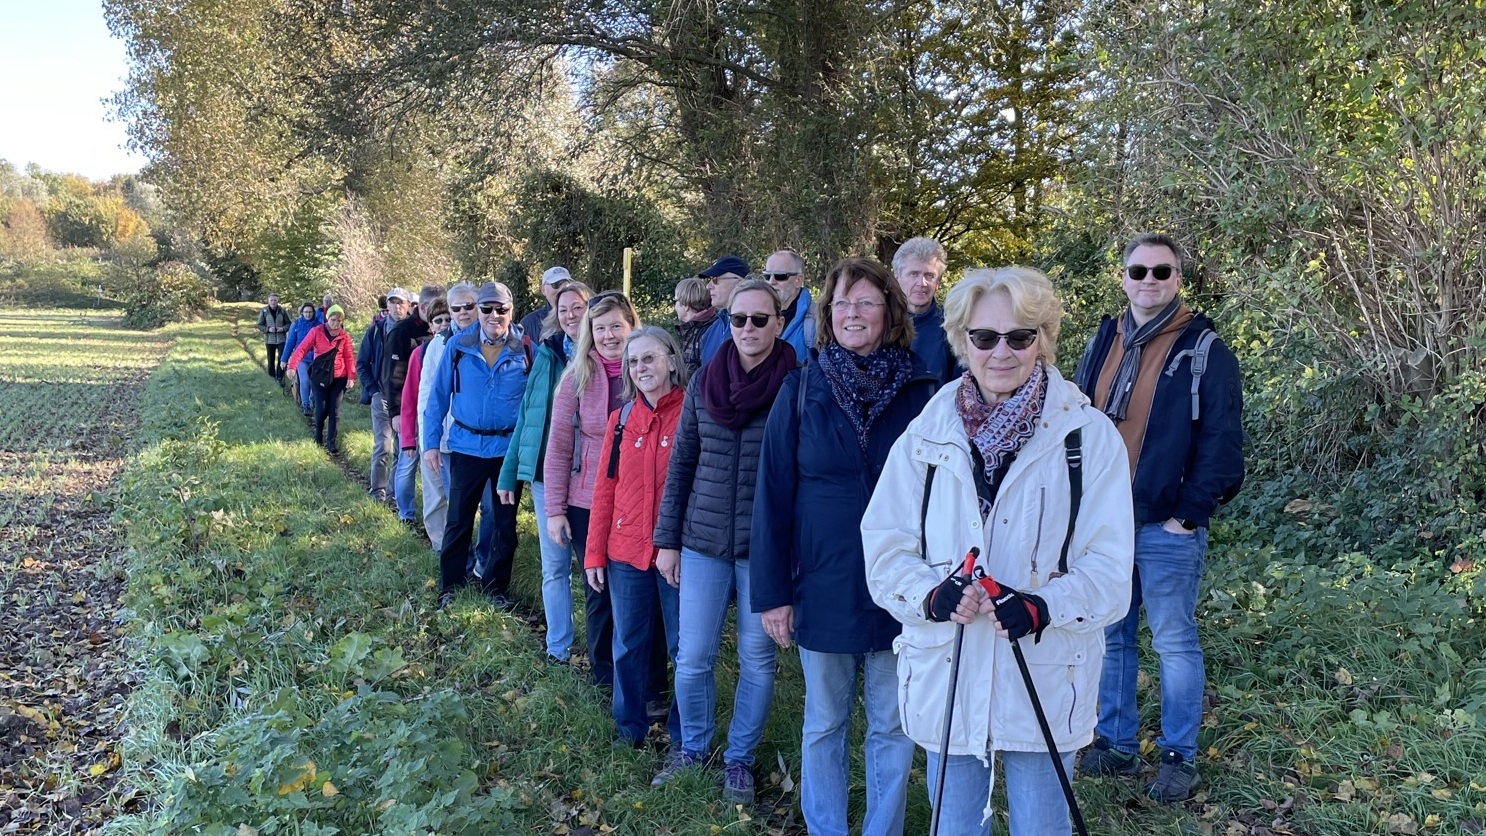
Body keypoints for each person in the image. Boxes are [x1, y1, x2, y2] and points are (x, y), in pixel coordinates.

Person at [861, 266, 1135, 836]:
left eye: (1020, 336)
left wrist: (1042, 605)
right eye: (985, 337)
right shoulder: (925, 434)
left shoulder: (1088, 437)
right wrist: (931, 596)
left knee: (1041, 827)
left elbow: (1110, 572)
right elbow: (885, 547)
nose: (1002, 352)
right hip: (948, 673)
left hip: (1045, 674)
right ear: (963, 341)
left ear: (1043, 339)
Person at [751, 257, 937, 836]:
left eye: (865, 302)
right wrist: (772, 594)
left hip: (901, 583)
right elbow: (772, 493)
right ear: (828, 316)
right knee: (825, 721)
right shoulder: (802, 386)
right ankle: (826, 827)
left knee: (892, 722)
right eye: (841, 304)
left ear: (890, 312)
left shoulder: (923, 389)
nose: (852, 313)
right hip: (822, 579)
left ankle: (883, 829)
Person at [1071, 233, 1245, 801]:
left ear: (1177, 279)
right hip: (1104, 522)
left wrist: (1189, 517)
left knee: (1174, 642)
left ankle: (1178, 757)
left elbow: (1222, 442)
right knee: (1112, 636)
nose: (1149, 281)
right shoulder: (1107, 337)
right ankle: (1116, 745)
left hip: (1166, 523)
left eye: (1161, 272)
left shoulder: (1205, 349)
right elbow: (1077, 418)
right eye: (1138, 271)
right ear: (1122, 277)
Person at [651, 278, 797, 805]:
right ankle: (692, 748)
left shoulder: (796, 385)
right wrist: (666, 539)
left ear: (779, 323)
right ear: (726, 322)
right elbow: (682, 462)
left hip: (764, 550)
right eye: (740, 320)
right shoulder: (703, 383)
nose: (750, 329)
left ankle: (739, 759)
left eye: (761, 319)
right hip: (702, 541)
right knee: (693, 656)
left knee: (758, 660)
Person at [584, 326, 690, 748]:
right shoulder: (622, 418)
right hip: (625, 552)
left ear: (669, 359)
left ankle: (687, 738)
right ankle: (629, 731)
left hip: (676, 554)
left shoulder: (692, 412)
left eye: (649, 358)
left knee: (684, 649)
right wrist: (594, 554)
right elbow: (604, 489)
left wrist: (680, 544)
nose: (641, 367)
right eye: (633, 361)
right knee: (628, 643)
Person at [542, 292, 641, 686]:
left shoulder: (648, 371)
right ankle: (605, 678)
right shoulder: (576, 378)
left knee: (636, 594)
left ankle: (643, 681)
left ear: (632, 326)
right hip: (587, 502)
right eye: (600, 328)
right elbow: (558, 448)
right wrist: (554, 509)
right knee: (598, 591)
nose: (609, 335)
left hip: (638, 503)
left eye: (616, 326)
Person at [498, 280, 593, 661]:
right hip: (545, 475)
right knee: (554, 566)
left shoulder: (606, 356)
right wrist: (509, 473)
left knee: (593, 568)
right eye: (564, 308)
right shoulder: (547, 354)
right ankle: (559, 647)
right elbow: (528, 416)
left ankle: (603, 652)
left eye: (578, 307)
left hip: (589, 477)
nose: (571, 315)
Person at [422, 282, 529, 609]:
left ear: (511, 310)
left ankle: (496, 588)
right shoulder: (457, 346)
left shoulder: (526, 350)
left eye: (501, 309)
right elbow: (438, 398)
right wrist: (429, 444)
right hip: (465, 447)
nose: (493, 315)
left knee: (504, 524)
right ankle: (450, 587)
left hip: (507, 453)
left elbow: (537, 406)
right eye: (486, 308)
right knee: (458, 521)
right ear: (478, 311)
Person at [419, 283, 484, 561]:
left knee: (490, 508)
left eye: (468, 306)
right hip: (449, 440)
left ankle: (485, 560)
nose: (462, 312)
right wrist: (428, 440)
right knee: (458, 505)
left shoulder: (494, 338)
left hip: (486, 439)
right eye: (455, 308)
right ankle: (464, 560)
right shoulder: (438, 344)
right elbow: (428, 394)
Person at [385, 284, 445, 528]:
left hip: (438, 419)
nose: (443, 323)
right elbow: (396, 378)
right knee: (407, 461)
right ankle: (406, 513)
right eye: (437, 318)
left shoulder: (449, 344)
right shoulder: (403, 335)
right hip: (411, 412)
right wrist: (396, 413)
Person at [401, 296, 450, 543]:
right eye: (438, 320)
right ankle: (439, 543)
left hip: (456, 435)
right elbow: (411, 398)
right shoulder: (421, 355)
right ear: (430, 326)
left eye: (447, 319)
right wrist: (409, 438)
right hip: (430, 431)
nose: (443, 324)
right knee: (435, 493)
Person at [359, 286, 414, 501]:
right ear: (387, 305)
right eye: (392, 302)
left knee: (403, 450)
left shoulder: (416, 332)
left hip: (406, 401)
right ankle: (377, 492)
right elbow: (362, 363)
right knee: (382, 446)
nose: (397, 306)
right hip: (381, 397)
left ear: (409, 305)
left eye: (401, 302)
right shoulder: (375, 331)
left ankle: (394, 494)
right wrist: (372, 391)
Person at [284, 304, 358, 453]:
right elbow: (302, 348)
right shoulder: (316, 331)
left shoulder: (344, 336)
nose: (335, 323)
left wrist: (351, 376)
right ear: (327, 318)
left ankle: (331, 442)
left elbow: (349, 357)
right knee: (321, 409)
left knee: (334, 411)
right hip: (319, 377)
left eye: (338, 320)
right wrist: (292, 366)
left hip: (339, 377)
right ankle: (318, 432)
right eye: (333, 319)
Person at [893, 237, 958, 385]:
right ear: (897, 278)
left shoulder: (951, 329)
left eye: (929, 276)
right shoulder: (879, 324)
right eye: (913, 274)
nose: (921, 283)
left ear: (938, 283)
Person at [761, 249, 816, 360]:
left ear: (798, 280)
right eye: (767, 276)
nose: (771, 282)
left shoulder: (817, 321)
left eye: (780, 276)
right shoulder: (753, 316)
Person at [696, 256, 749, 367]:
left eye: (715, 279)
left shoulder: (759, 325)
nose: (708, 286)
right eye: (708, 280)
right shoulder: (710, 332)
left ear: (739, 283)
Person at [282, 302, 320, 415]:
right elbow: (290, 343)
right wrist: (284, 359)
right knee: (304, 381)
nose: (308, 314)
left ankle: (312, 401)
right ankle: (306, 405)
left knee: (315, 382)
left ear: (313, 313)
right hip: (301, 358)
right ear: (302, 313)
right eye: (306, 312)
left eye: (310, 312)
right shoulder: (296, 325)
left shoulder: (319, 325)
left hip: (315, 358)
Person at [520, 266, 572, 349]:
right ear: (543, 290)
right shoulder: (528, 323)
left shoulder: (581, 317)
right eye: (556, 285)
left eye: (566, 285)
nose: (561, 289)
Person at [673, 277, 714, 377]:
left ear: (685, 305)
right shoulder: (692, 330)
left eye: (675, 300)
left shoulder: (705, 334)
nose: (674, 306)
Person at [257, 293, 292, 381]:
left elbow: (289, 324)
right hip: (269, 340)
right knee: (270, 360)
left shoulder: (283, 311)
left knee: (282, 358)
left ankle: (280, 377)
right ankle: (271, 378)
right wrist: (268, 329)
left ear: (278, 301)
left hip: (281, 339)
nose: (273, 302)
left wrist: (283, 329)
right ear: (268, 301)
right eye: (271, 300)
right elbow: (260, 325)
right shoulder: (264, 311)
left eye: (275, 300)